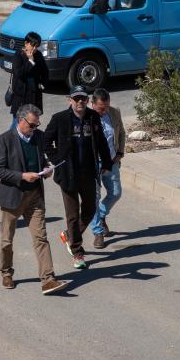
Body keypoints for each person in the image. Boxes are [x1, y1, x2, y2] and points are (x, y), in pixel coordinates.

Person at [0, 104, 69, 295]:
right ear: (20, 120)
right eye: (32, 125)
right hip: (13, 197)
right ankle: (6, 272)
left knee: (41, 238)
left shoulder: (39, 137)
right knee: (7, 240)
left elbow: (41, 160)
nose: (35, 128)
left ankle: (48, 279)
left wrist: (46, 169)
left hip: (35, 196)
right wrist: (21, 176)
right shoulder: (4, 139)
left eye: (37, 125)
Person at [44, 85, 113, 269]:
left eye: (83, 98)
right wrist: (57, 160)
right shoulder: (59, 119)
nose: (80, 101)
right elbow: (45, 141)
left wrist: (107, 163)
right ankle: (77, 252)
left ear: (87, 100)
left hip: (88, 173)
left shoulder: (93, 117)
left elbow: (101, 142)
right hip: (68, 175)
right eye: (76, 98)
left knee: (90, 209)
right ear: (70, 100)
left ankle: (70, 235)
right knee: (73, 215)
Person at [89, 88, 126, 249]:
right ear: (93, 104)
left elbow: (121, 133)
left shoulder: (114, 112)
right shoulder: (86, 116)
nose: (104, 111)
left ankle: (101, 215)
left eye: (106, 107)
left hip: (111, 161)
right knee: (94, 197)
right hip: (93, 163)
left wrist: (120, 153)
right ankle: (98, 232)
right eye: (101, 108)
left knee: (116, 193)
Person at [9, 31, 48, 129]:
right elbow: (19, 73)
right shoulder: (18, 55)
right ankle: (10, 138)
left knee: (33, 124)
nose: (34, 49)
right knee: (17, 125)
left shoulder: (38, 55)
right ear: (26, 43)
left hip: (34, 96)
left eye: (37, 46)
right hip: (21, 97)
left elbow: (45, 72)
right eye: (33, 45)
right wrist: (30, 61)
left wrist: (42, 84)